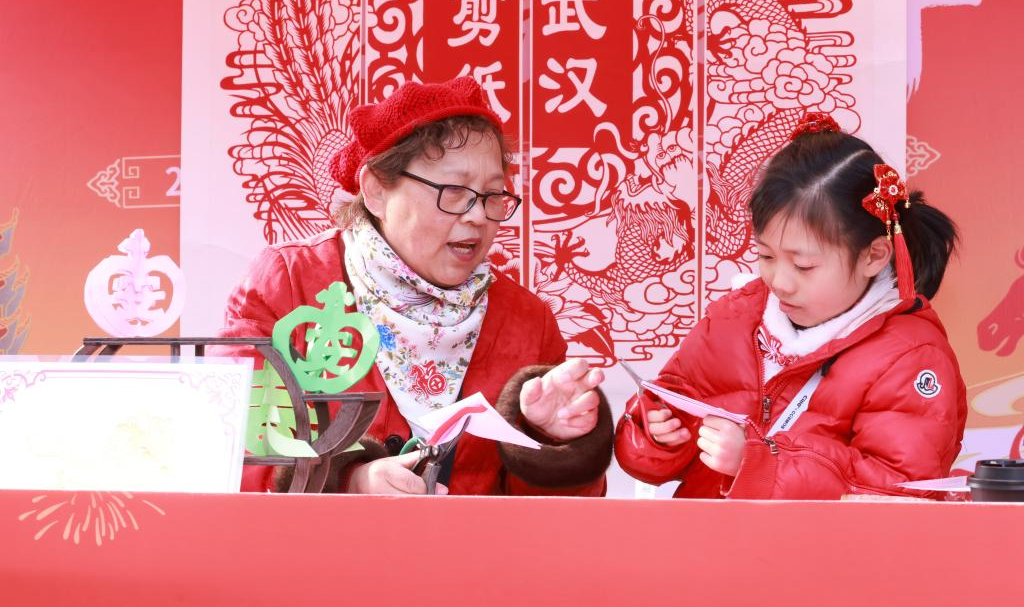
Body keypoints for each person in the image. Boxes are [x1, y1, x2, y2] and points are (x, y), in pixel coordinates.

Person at [219, 77, 612, 495]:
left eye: (492, 195)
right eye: (454, 191)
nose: (478, 216)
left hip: (470, 542)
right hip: (324, 540)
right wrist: (348, 481)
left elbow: (552, 519)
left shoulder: (527, 320)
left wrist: (550, 440)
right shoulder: (288, 282)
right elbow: (234, 448)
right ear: (375, 190)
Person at [615, 112, 966, 499]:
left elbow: (898, 489)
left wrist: (759, 464)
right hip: (705, 536)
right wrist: (659, 434)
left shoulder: (910, 355)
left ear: (874, 255)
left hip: (811, 543)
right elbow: (669, 406)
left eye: (803, 266)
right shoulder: (736, 315)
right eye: (766, 256)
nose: (779, 281)